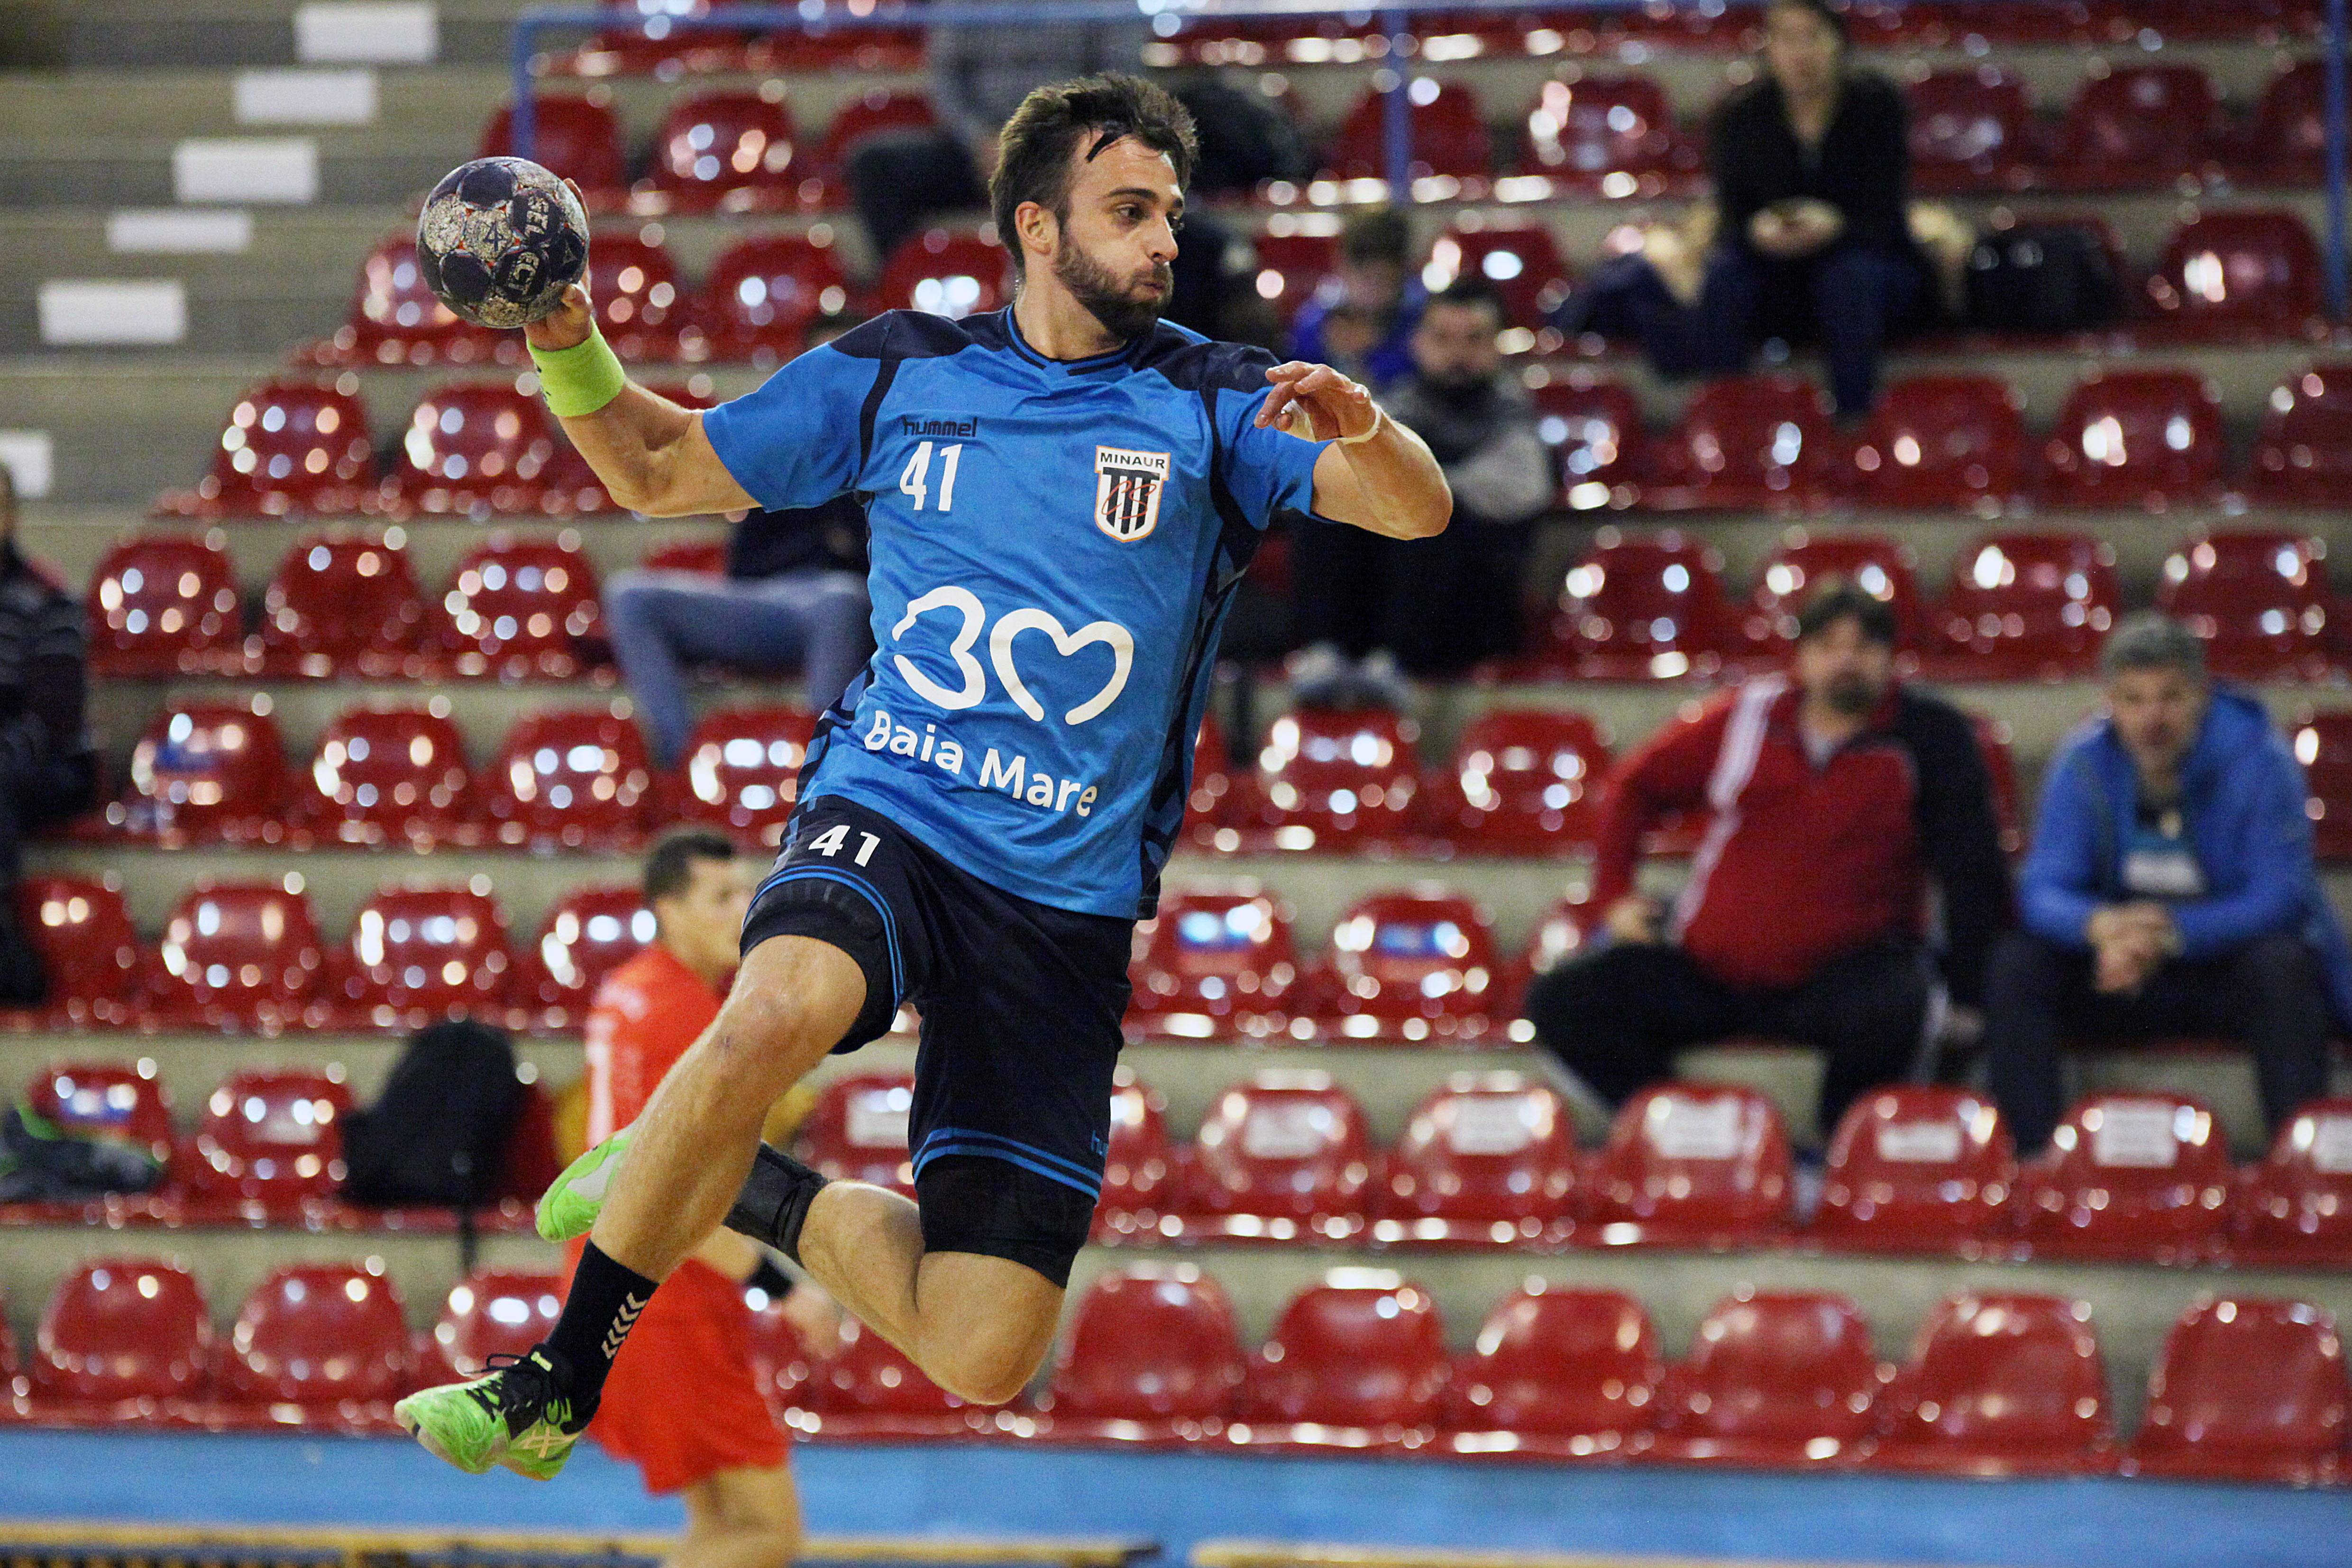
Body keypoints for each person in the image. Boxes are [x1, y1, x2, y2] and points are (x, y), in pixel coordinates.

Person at [396, 73, 1449, 1477]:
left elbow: (1417, 511)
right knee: (773, 1011)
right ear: (1036, 225)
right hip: (897, 802)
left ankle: (726, 1177)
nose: (1163, 239)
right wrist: (568, 346)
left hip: (1064, 902)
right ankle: (556, 1375)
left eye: (1168, 213)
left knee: (981, 1346)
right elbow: (658, 470)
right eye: (1128, 210)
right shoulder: (903, 370)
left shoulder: (1218, 397)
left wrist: (1366, 430)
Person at [1520, 581, 2012, 1137]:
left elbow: (1972, 870)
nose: (1845, 661)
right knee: (1562, 999)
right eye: (1827, 645)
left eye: (1863, 646)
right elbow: (1632, 787)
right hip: (1709, 972)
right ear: (1799, 656)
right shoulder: (1744, 718)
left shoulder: (1930, 737)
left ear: (1890, 658)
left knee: (1903, 1003)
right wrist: (1613, 897)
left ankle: (1841, 1154)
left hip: (1841, 980)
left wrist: (1969, 992)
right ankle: (1685, 1130)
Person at [1982, 614, 2351, 1155]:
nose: (2151, 718)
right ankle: (2033, 1163)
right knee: (2016, 965)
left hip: (2219, 968)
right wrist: (2099, 926)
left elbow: (2280, 897)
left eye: (2169, 697)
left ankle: (2299, 1162)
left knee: (2283, 967)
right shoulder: (2082, 764)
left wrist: (2171, 933)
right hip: (2118, 967)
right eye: (2133, 700)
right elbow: (2041, 890)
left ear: (2202, 695)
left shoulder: (2260, 761)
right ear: (2110, 701)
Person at [575, 832, 840, 1565]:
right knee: (769, 1533)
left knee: (718, 1527)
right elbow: (672, 1197)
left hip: (620, 1284)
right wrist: (786, 1289)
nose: (742, 910)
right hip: (670, 1300)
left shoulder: (629, 990)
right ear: (669, 909)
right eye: (721, 896)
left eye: (745, 892)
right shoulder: (686, 1016)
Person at [1290, 277, 1552, 706]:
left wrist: (1413, 483)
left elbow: (1518, 492)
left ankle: (1397, 662)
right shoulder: (1395, 408)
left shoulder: (1512, 417)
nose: (1457, 354)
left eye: (1474, 339)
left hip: (1466, 609)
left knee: (1430, 508)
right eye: (1442, 338)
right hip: (1380, 596)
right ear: (1417, 342)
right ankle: (1325, 650)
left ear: (1497, 346)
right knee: (1327, 498)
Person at [1694, 0, 1928, 417]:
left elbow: (1886, 217)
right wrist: (1758, 231)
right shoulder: (1740, 114)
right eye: (1787, 38)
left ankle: (1853, 424)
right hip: (1774, 267)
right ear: (1767, 46)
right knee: (1723, 276)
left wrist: (1836, 226)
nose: (1800, 53)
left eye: (1813, 36)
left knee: (1849, 278)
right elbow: (1731, 218)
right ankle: (1726, 422)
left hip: (1863, 264)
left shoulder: (1877, 108)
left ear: (1839, 43)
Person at [604, 498, 872, 767]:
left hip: (830, 600)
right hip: (757, 598)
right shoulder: (775, 481)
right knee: (630, 597)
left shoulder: (871, 484)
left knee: (843, 600)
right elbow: (743, 565)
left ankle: (827, 767)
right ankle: (682, 761)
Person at [0, 463, 95, 1003]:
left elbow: (53, 719)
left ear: (10, 515)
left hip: (52, 766)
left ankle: (9, 955)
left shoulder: (49, 598)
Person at [1285, 205, 1424, 390]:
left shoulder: (1422, 322)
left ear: (1402, 272)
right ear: (1342, 267)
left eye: (1382, 280)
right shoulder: (1314, 325)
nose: (1371, 291)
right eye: (1363, 277)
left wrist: (1374, 348)